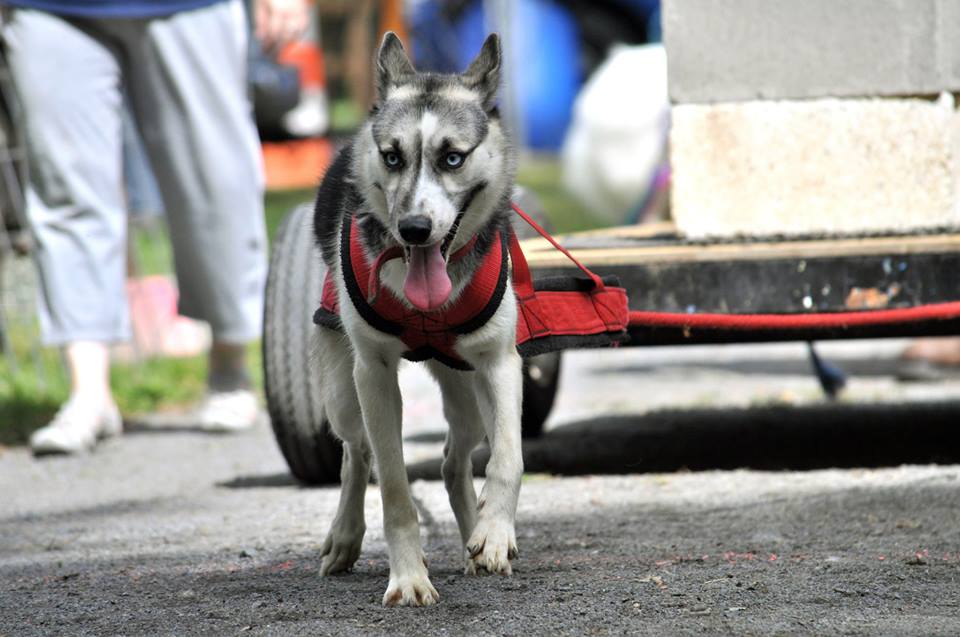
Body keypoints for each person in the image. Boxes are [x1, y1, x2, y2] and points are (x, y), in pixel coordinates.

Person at [1, 0, 309, 454]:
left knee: (213, 181)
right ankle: (88, 393)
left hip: (190, 6)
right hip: (47, 7)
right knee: (65, 187)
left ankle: (229, 366)